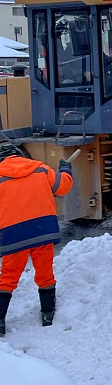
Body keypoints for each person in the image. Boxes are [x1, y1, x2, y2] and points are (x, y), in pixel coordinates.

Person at [0, 142, 73, 336]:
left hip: (14, 235)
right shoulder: (40, 168)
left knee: (8, 277)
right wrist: (66, 168)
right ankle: (47, 315)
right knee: (45, 273)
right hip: (43, 231)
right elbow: (63, 186)